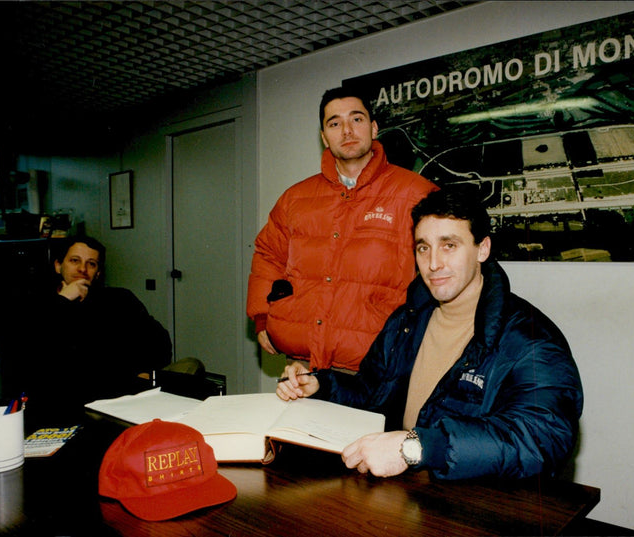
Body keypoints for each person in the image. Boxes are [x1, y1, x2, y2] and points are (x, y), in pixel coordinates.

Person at [277, 188, 583, 480]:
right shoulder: (407, 320)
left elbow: (542, 440)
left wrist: (418, 447)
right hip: (403, 494)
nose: (434, 264)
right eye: (424, 247)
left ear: (483, 249)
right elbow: (372, 392)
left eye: (449, 245)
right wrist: (320, 384)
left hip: (477, 508)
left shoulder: (532, 340)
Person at [247, 86, 437, 372]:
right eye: (334, 123)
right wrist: (263, 315)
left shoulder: (415, 194)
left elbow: (446, 266)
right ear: (324, 137)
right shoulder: (296, 198)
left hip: (376, 368)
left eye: (356, 119)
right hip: (302, 364)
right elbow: (268, 254)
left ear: (374, 128)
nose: (346, 130)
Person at [16, 236, 172, 426]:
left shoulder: (119, 300)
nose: (82, 269)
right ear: (58, 266)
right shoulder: (36, 306)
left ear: (98, 273)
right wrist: (63, 301)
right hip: (60, 407)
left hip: (118, 402)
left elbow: (160, 343)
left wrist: (145, 370)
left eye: (91, 264)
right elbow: (28, 357)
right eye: (75, 261)